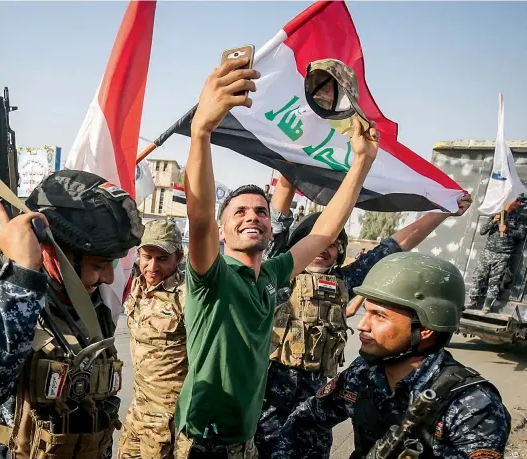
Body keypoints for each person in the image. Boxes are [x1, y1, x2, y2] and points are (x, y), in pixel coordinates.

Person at [174, 53, 379, 458]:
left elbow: (323, 232)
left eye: (261, 212)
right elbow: (198, 221)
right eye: (239, 212)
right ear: (223, 229)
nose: (252, 217)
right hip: (204, 442)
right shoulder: (211, 276)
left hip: (244, 441)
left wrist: (362, 162)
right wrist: (202, 132)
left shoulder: (271, 275)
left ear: (271, 226)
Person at [255, 177, 472, 458]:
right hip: (268, 402)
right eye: (315, 242)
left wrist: (443, 211)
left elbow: (396, 245)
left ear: (340, 252)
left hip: (318, 402)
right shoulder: (277, 275)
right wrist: (289, 167)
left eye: (333, 244)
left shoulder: (344, 281)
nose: (324, 249)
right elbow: (280, 213)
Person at [0, 170, 144, 459]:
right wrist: (22, 277)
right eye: (99, 264)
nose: (110, 278)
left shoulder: (89, 308)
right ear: (51, 251)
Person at [271, 252, 511, 459]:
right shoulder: (364, 373)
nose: (363, 326)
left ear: (426, 328)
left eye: (379, 316)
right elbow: (307, 418)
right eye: (366, 312)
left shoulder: (474, 407)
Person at [118, 218, 186, 459]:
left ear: (179, 257)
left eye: (163, 258)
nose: (152, 267)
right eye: (147, 256)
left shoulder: (187, 297)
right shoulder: (134, 282)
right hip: (137, 410)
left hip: (166, 421)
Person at [468, 197, 527, 313]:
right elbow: (482, 231)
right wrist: (493, 221)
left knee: (495, 281)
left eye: (520, 202)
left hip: (503, 255)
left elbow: (521, 235)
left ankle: (487, 306)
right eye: (516, 200)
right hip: (488, 252)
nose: (518, 204)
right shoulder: (497, 214)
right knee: (478, 277)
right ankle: (473, 302)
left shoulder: (520, 219)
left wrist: (508, 231)